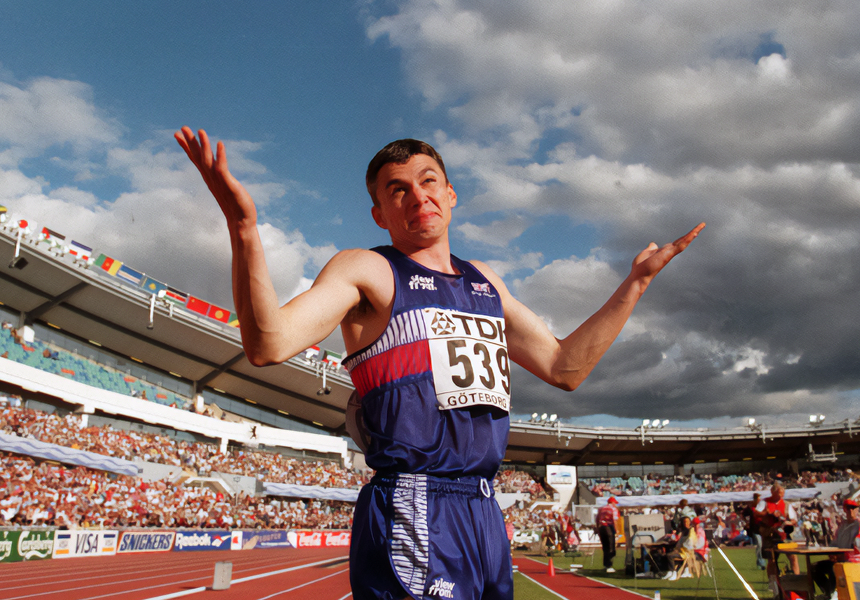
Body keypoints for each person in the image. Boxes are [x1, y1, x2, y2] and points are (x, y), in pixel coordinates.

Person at [175, 127, 704, 600]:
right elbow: (268, 342)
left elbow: (565, 367)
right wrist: (243, 227)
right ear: (380, 214)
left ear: (450, 195)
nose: (417, 196)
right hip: (415, 504)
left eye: (428, 181)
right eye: (396, 189)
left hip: (483, 510)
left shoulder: (485, 282)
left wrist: (635, 284)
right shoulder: (369, 270)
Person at [812, 498, 860, 599]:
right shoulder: (842, 527)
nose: (850, 511)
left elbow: (855, 546)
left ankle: (834, 593)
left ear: (857, 510)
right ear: (845, 510)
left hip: (855, 560)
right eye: (848, 508)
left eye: (853, 508)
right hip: (842, 558)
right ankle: (829, 592)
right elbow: (835, 543)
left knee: (835, 567)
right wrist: (832, 553)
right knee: (814, 567)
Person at [758, 482, 800, 579]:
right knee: (772, 559)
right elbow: (757, 515)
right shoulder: (764, 502)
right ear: (773, 492)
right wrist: (769, 514)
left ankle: (797, 578)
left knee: (793, 557)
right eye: (780, 493)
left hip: (783, 535)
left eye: (782, 493)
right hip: (770, 535)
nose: (781, 496)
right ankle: (773, 583)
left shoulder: (786, 504)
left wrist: (789, 523)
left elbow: (794, 519)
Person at [596, 496, 621, 573]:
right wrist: (617, 531)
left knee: (605, 547)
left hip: (601, 527)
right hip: (608, 527)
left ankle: (606, 565)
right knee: (611, 547)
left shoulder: (601, 509)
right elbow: (615, 520)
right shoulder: (613, 509)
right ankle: (609, 565)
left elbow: (597, 519)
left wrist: (598, 529)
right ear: (612, 503)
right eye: (615, 503)